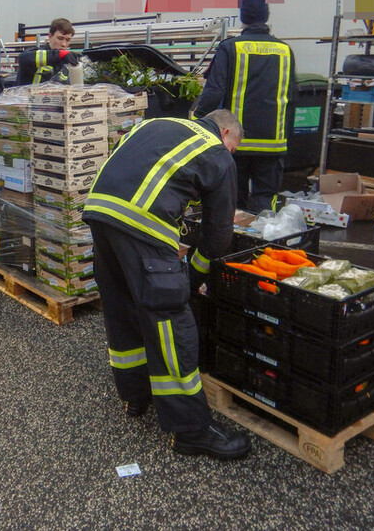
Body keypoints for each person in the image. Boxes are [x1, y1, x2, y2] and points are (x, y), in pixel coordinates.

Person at [81, 109, 251, 460]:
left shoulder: (159, 124)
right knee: (172, 324)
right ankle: (190, 431)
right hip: (143, 226)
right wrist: (193, 277)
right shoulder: (216, 152)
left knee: (122, 310)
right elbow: (219, 235)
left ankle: (135, 397)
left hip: (100, 213)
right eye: (234, 147)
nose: (231, 155)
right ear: (225, 132)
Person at [193, 0, 297, 213]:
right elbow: (292, 97)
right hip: (273, 143)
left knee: (233, 198)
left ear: (243, 17)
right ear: (266, 16)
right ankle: (263, 242)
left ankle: (236, 243)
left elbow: (214, 91)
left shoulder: (231, 48)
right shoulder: (285, 50)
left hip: (236, 142)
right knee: (265, 200)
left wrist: (197, 118)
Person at [15, 17, 79, 85]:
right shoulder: (34, 55)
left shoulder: (66, 62)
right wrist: (60, 54)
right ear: (50, 36)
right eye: (60, 38)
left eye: (68, 40)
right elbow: (23, 58)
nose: (64, 44)